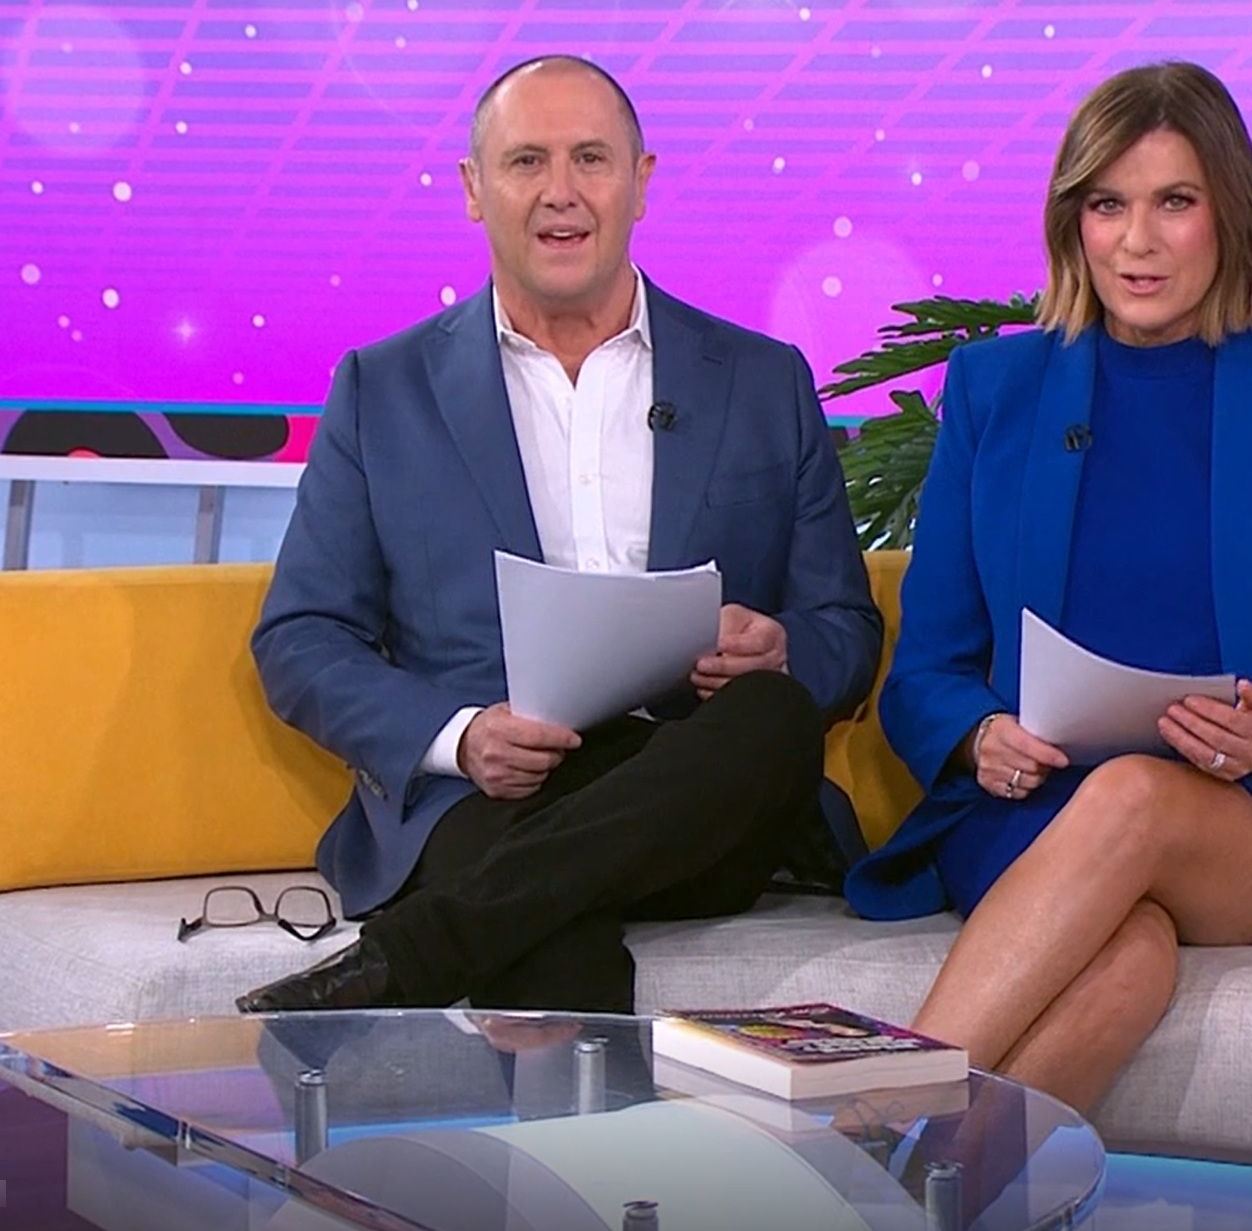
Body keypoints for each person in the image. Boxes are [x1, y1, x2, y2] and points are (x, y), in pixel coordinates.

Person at [843, 61, 1252, 1112]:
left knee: (1134, 795)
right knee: (1130, 958)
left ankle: (861, 1118)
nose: (1136, 242)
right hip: (1030, 811)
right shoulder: (996, 390)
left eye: (1173, 202)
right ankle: (925, 1182)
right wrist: (977, 735)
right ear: (1073, 223)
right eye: (1108, 205)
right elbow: (926, 670)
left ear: (1228, 214)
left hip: (1246, 820)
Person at [240, 55, 881, 1015]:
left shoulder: (762, 380)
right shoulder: (384, 390)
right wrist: (461, 739)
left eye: (591, 158)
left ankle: (411, 953)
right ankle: (576, 1094)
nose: (561, 192)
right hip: (492, 797)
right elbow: (301, 637)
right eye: (526, 161)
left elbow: (845, 626)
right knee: (550, 929)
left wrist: (783, 648)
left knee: (775, 713)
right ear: (474, 189)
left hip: (700, 789)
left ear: (641, 182)